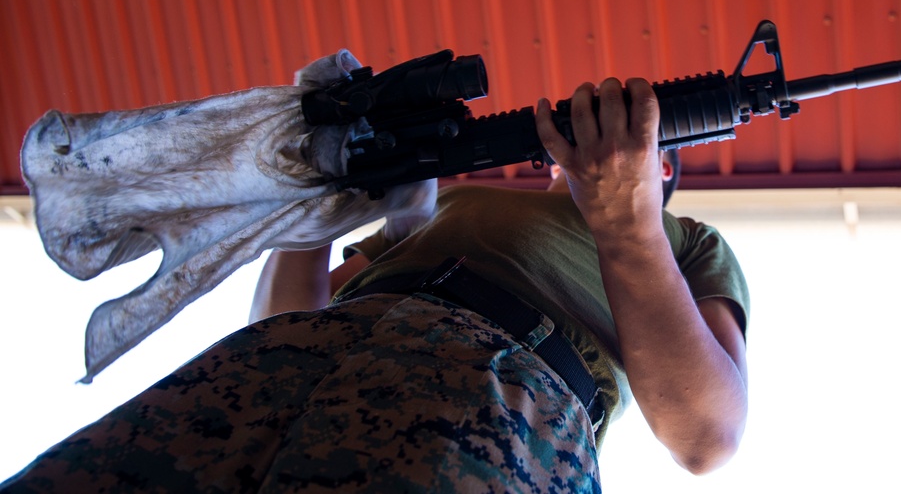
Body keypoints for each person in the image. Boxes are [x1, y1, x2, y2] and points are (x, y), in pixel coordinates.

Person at [2, 78, 748, 493]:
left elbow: (706, 433)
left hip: (494, 401)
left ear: (665, 174)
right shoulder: (449, 203)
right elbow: (289, 314)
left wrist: (629, 225)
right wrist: (324, 206)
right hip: (280, 367)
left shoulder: (686, 244)